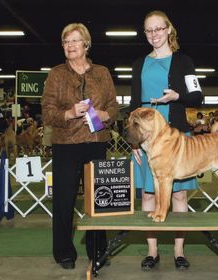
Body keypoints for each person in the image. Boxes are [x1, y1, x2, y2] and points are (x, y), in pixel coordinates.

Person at [129, 10, 203, 270]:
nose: (154, 35)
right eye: (149, 30)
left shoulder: (184, 61)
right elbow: (133, 104)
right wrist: (135, 142)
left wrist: (176, 95)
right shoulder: (139, 63)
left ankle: (179, 251)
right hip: (147, 141)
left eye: (158, 29)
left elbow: (197, 97)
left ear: (169, 29)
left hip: (176, 137)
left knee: (179, 195)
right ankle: (152, 252)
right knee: (148, 196)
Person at [41, 23, 118, 270]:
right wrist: (69, 113)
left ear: (86, 44)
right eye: (66, 41)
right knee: (64, 201)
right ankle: (64, 252)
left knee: (100, 200)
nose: (70, 46)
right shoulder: (56, 74)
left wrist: (106, 115)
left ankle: (98, 250)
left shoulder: (103, 72)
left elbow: (115, 106)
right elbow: (47, 112)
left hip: (97, 144)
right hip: (66, 145)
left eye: (75, 41)